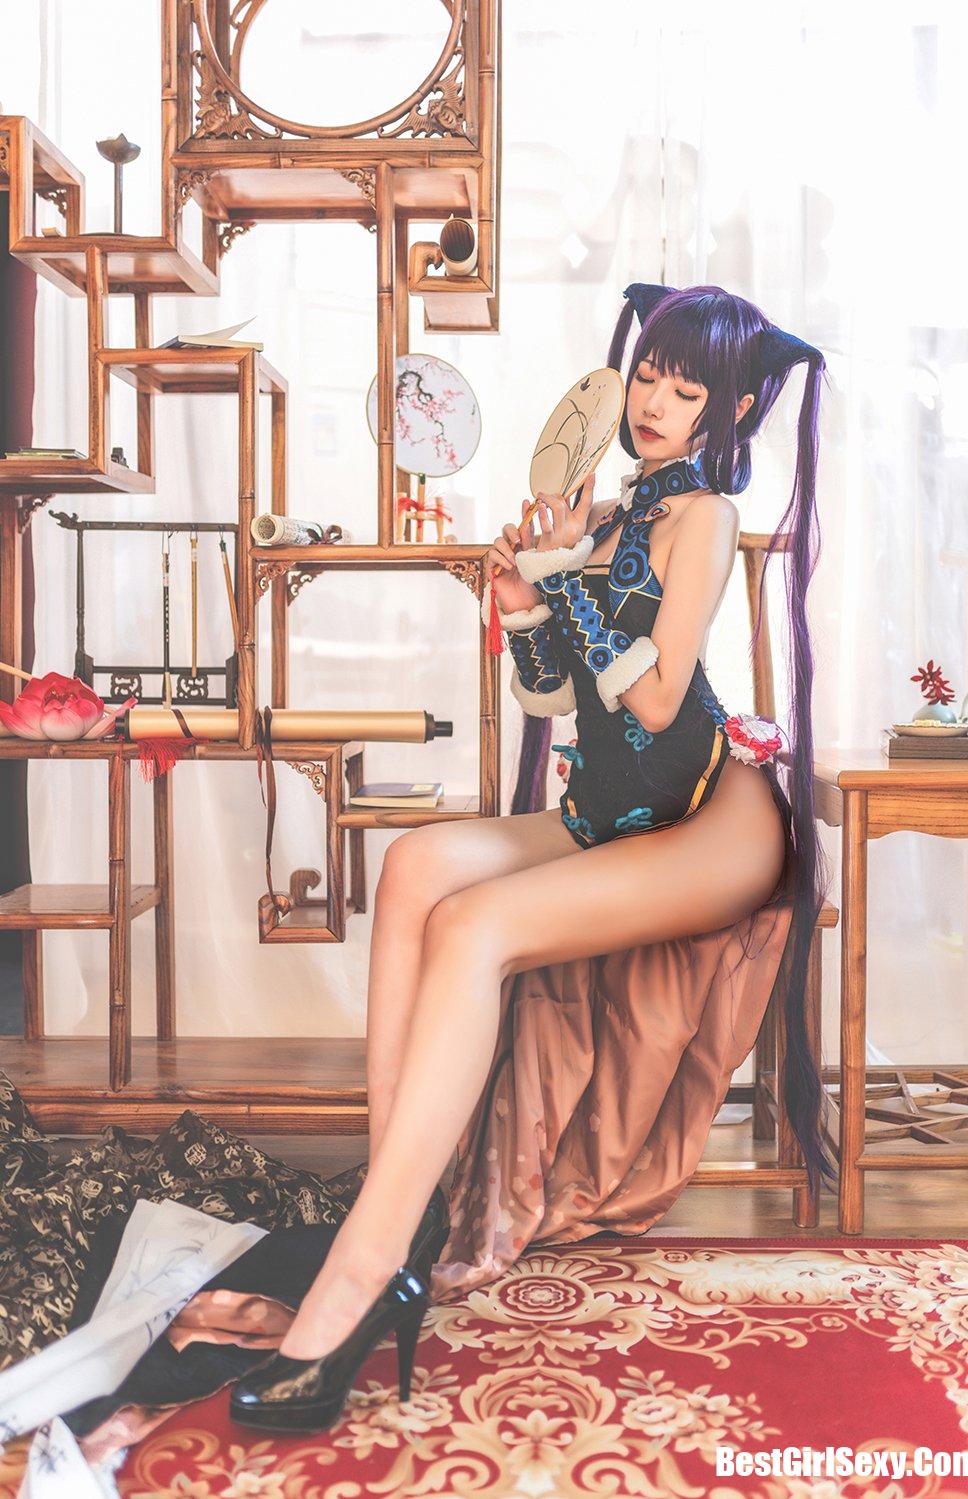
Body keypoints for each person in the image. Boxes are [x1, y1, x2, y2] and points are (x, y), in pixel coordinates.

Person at [229, 282, 837, 1432]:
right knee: (416, 867)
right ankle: (400, 1210)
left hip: (712, 817)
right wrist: (522, 601)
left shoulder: (702, 517)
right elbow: (556, 700)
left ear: (730, 409)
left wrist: (561, 577)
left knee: (475, 925)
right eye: (646, 374)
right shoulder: (600, 514)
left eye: (685, 388)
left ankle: (359, 1275)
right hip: (611, 808)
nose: (653, 400)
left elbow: (656, 703)